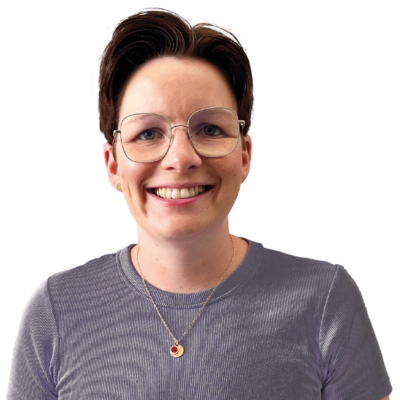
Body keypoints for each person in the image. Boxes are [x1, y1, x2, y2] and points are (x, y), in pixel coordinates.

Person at [6, 6, 392, 400]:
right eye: (148, 133)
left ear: (245, 155)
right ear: (113, 164)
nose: (181, 158)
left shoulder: (326, 298)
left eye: (209, 129)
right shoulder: (55, 311)